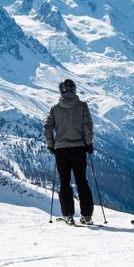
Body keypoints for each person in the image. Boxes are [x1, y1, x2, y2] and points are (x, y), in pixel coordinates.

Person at [44, 79, 95, 225]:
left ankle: (68, 215)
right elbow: (88, 126)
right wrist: (88, 143)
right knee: (81, 181)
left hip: (61, 149)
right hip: (79, 148)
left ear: (61, 91)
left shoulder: (55, 108)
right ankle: (86, 216)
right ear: (74, 90)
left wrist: (51, 144)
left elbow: (47, 126)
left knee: (64, 182)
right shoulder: (82, 106)